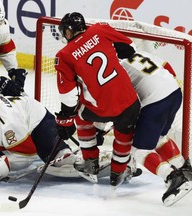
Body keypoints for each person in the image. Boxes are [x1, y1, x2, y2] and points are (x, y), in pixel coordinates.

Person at [54, 12, 141, 187]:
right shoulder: (99, 29)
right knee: (124, 131)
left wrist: (65, 122)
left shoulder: (64, 55)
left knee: (80, 114)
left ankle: (90, 161)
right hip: (131, 101)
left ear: (69, 32)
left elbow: (69, 96)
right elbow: (128, 48)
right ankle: (118, 172)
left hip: (103, 109)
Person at [0, 83, 111, 182]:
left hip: (38, 122)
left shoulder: (7, 121)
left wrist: (6, 164)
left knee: (60, 159)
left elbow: (28, 155)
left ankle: (96, 160)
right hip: (21, 123)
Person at [120, 50, 192, 206]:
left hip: (156, 101)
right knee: (159, 137)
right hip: (174, 92)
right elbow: (168, 67)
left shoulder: (115, 65)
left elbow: (125, 100)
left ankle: (173, 177)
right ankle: (184, 168)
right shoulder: (137, 51)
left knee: (139, 150)